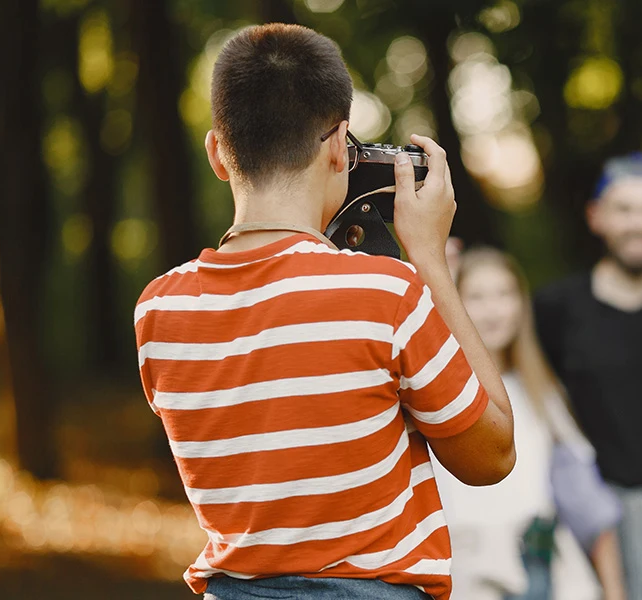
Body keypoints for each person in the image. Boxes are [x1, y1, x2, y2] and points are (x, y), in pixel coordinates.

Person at [132, 24, 515, 600]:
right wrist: (430, 258)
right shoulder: (386, 293)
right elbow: (493, 454)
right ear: (340, 146)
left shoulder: (158, 310)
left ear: (217, 151)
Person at [533, 153, 642, 600]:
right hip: (591, 522)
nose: (638, 224)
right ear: (596, 217)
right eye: (624, 209)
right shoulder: (554, 309)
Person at [430, 247, 626, 600]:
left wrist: (614, 590)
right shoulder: (437, 392)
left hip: (540, 563)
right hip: (467, 572)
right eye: (475, 296)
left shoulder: (541, 390)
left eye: (504, 294)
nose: (492, 310)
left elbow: (586, 500)